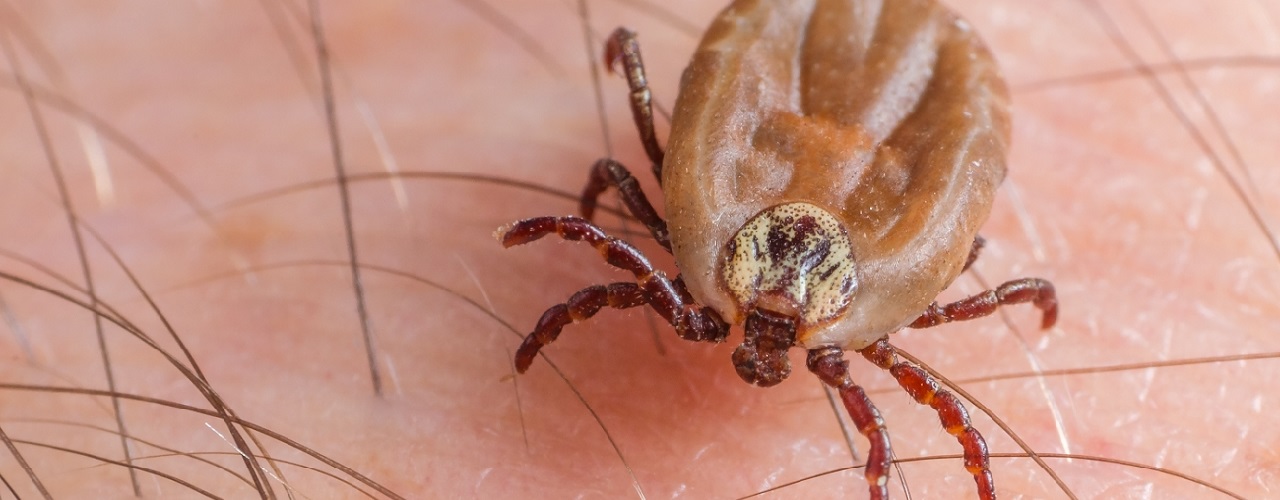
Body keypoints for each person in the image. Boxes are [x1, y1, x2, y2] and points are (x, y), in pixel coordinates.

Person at [1, 1, 1273, 497]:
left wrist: (574, 239)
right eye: (767, 326)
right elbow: (609, 186)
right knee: (622, 187)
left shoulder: (718, 272)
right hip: (826, 183)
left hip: (829, 172)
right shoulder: (815, 314)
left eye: (769, 331)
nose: (760, 345)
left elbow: (610, 183)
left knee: (614, 184)